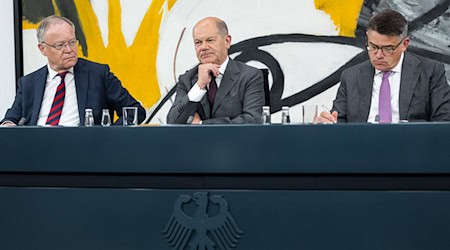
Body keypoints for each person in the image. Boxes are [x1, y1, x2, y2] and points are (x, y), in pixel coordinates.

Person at [1, 15, 145, 126]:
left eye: (72, 42)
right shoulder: (29, 83)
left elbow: (135, 112)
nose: (69, 50)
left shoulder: (98, 74)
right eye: (60, 45)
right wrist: (8, 125)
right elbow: (10, 119)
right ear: (42, 49)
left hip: (84, 152)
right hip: (38, 152)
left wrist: (107, 136)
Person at [318, 9, 450, 123]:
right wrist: (328, 122)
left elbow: (443, 122)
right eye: (373, 46)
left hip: (411, 147)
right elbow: (338, 121)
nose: (379, 55)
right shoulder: (351, 76)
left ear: (404, 44)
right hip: (362, 147)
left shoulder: (430, 72)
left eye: (388, 49)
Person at [166, 17, 264, 124]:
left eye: (210, 40)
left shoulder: (250, 76)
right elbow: (173, 121)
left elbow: (252, 120)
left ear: (227, 41)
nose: (203, 47)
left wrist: (201, 125)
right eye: (198, 42)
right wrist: (199, 85)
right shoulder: (187, 79)